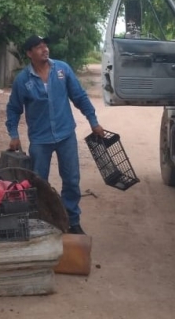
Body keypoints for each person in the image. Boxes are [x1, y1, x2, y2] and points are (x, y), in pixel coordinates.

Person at [6, 35, 105, 235]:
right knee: (38, 183)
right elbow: (13, 109)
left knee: (71, 180)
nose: (45, 49)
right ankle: (41, 221)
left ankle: (72, 221)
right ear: (29, 53)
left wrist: (94, 122)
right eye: (38, 47)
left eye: (45, 45)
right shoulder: (23, 80)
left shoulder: (62, 70)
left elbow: (79, 97)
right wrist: (14, 134)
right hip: (40, 140)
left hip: (65, 135)